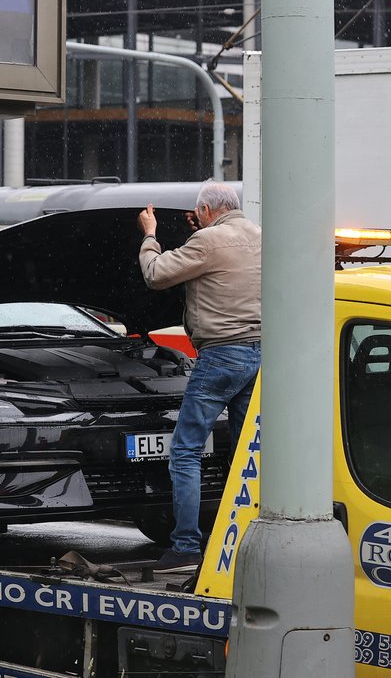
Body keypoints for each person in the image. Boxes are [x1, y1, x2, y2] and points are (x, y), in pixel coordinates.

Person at [137, 180, 261, 574]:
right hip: (262, 354)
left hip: (222, 355)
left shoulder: (207, 242)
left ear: (206, 211)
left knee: (186, 451)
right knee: (246, 457)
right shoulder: (262, 236)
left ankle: (186, 546)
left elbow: (155, 275)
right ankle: (243, 539)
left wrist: (151, 235)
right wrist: (202, 233)